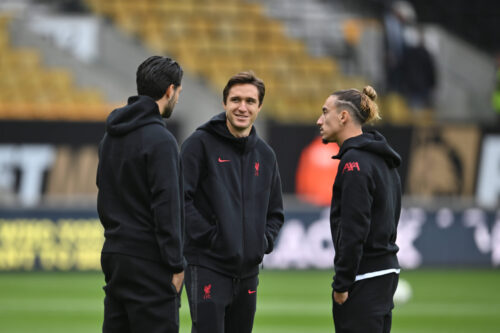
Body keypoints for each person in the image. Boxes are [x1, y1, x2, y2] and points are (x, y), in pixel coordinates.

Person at [181, 71, 284, 333]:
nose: (242, 107)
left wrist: (261, 242)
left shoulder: (266, 155)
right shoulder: (198, 144)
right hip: (208, 266)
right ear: (224, 103)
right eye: (236, 99)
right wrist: (212, 238)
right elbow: (181, 201)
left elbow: (275, 214)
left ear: (259, 106)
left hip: (248, 272)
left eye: (250, 101)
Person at [96, 56, 185, 333]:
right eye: (178, 93)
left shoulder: (111, 136)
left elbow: (104, 190)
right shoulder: (161, 140)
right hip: (150, 262)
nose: (177, 99)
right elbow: (167, 207)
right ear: (169, 90)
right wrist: (176, 264)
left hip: (115, 254)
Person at [316, 86, 402, 333]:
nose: (319, 120)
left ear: (343, 116)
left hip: (364, 277)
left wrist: (342, 284)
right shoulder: (383, 159)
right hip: (386, 271)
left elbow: (355, 228)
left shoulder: (354, 162)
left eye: (325, 112)